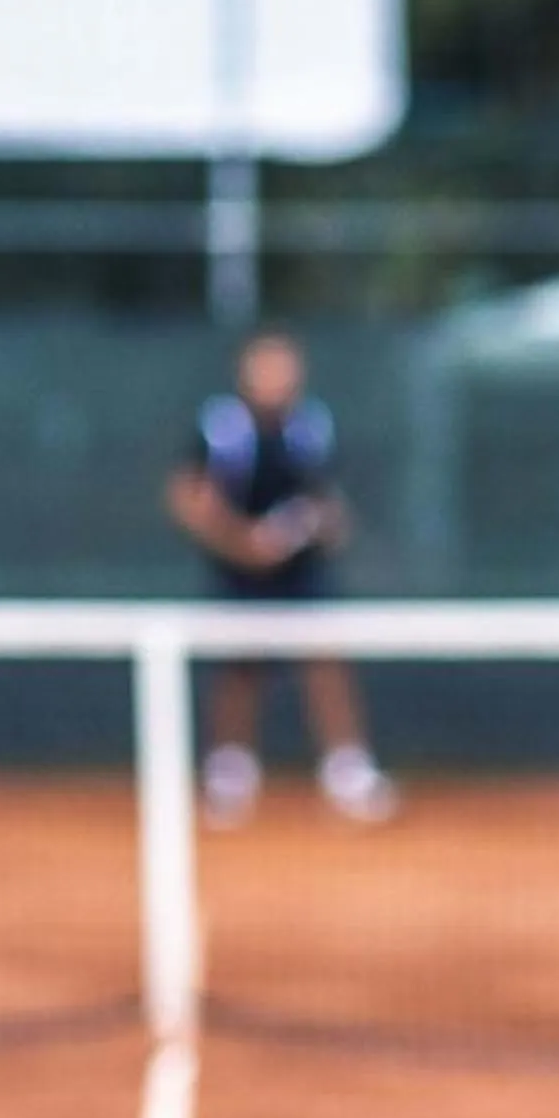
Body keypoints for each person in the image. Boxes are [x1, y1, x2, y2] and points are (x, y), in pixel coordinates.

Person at [166, 329, 397, 827]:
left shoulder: (311, 427)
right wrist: (241, 542)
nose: (277, 377)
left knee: (325, 659)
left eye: (286, 366)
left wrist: (315, 527)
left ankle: (348, 770)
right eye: (266, 367)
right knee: (239, 667)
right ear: (245, 373)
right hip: (237, 572)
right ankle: (229, 774)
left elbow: (326, 502)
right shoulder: (221, 428)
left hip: (302, 572)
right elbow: (189, 496)